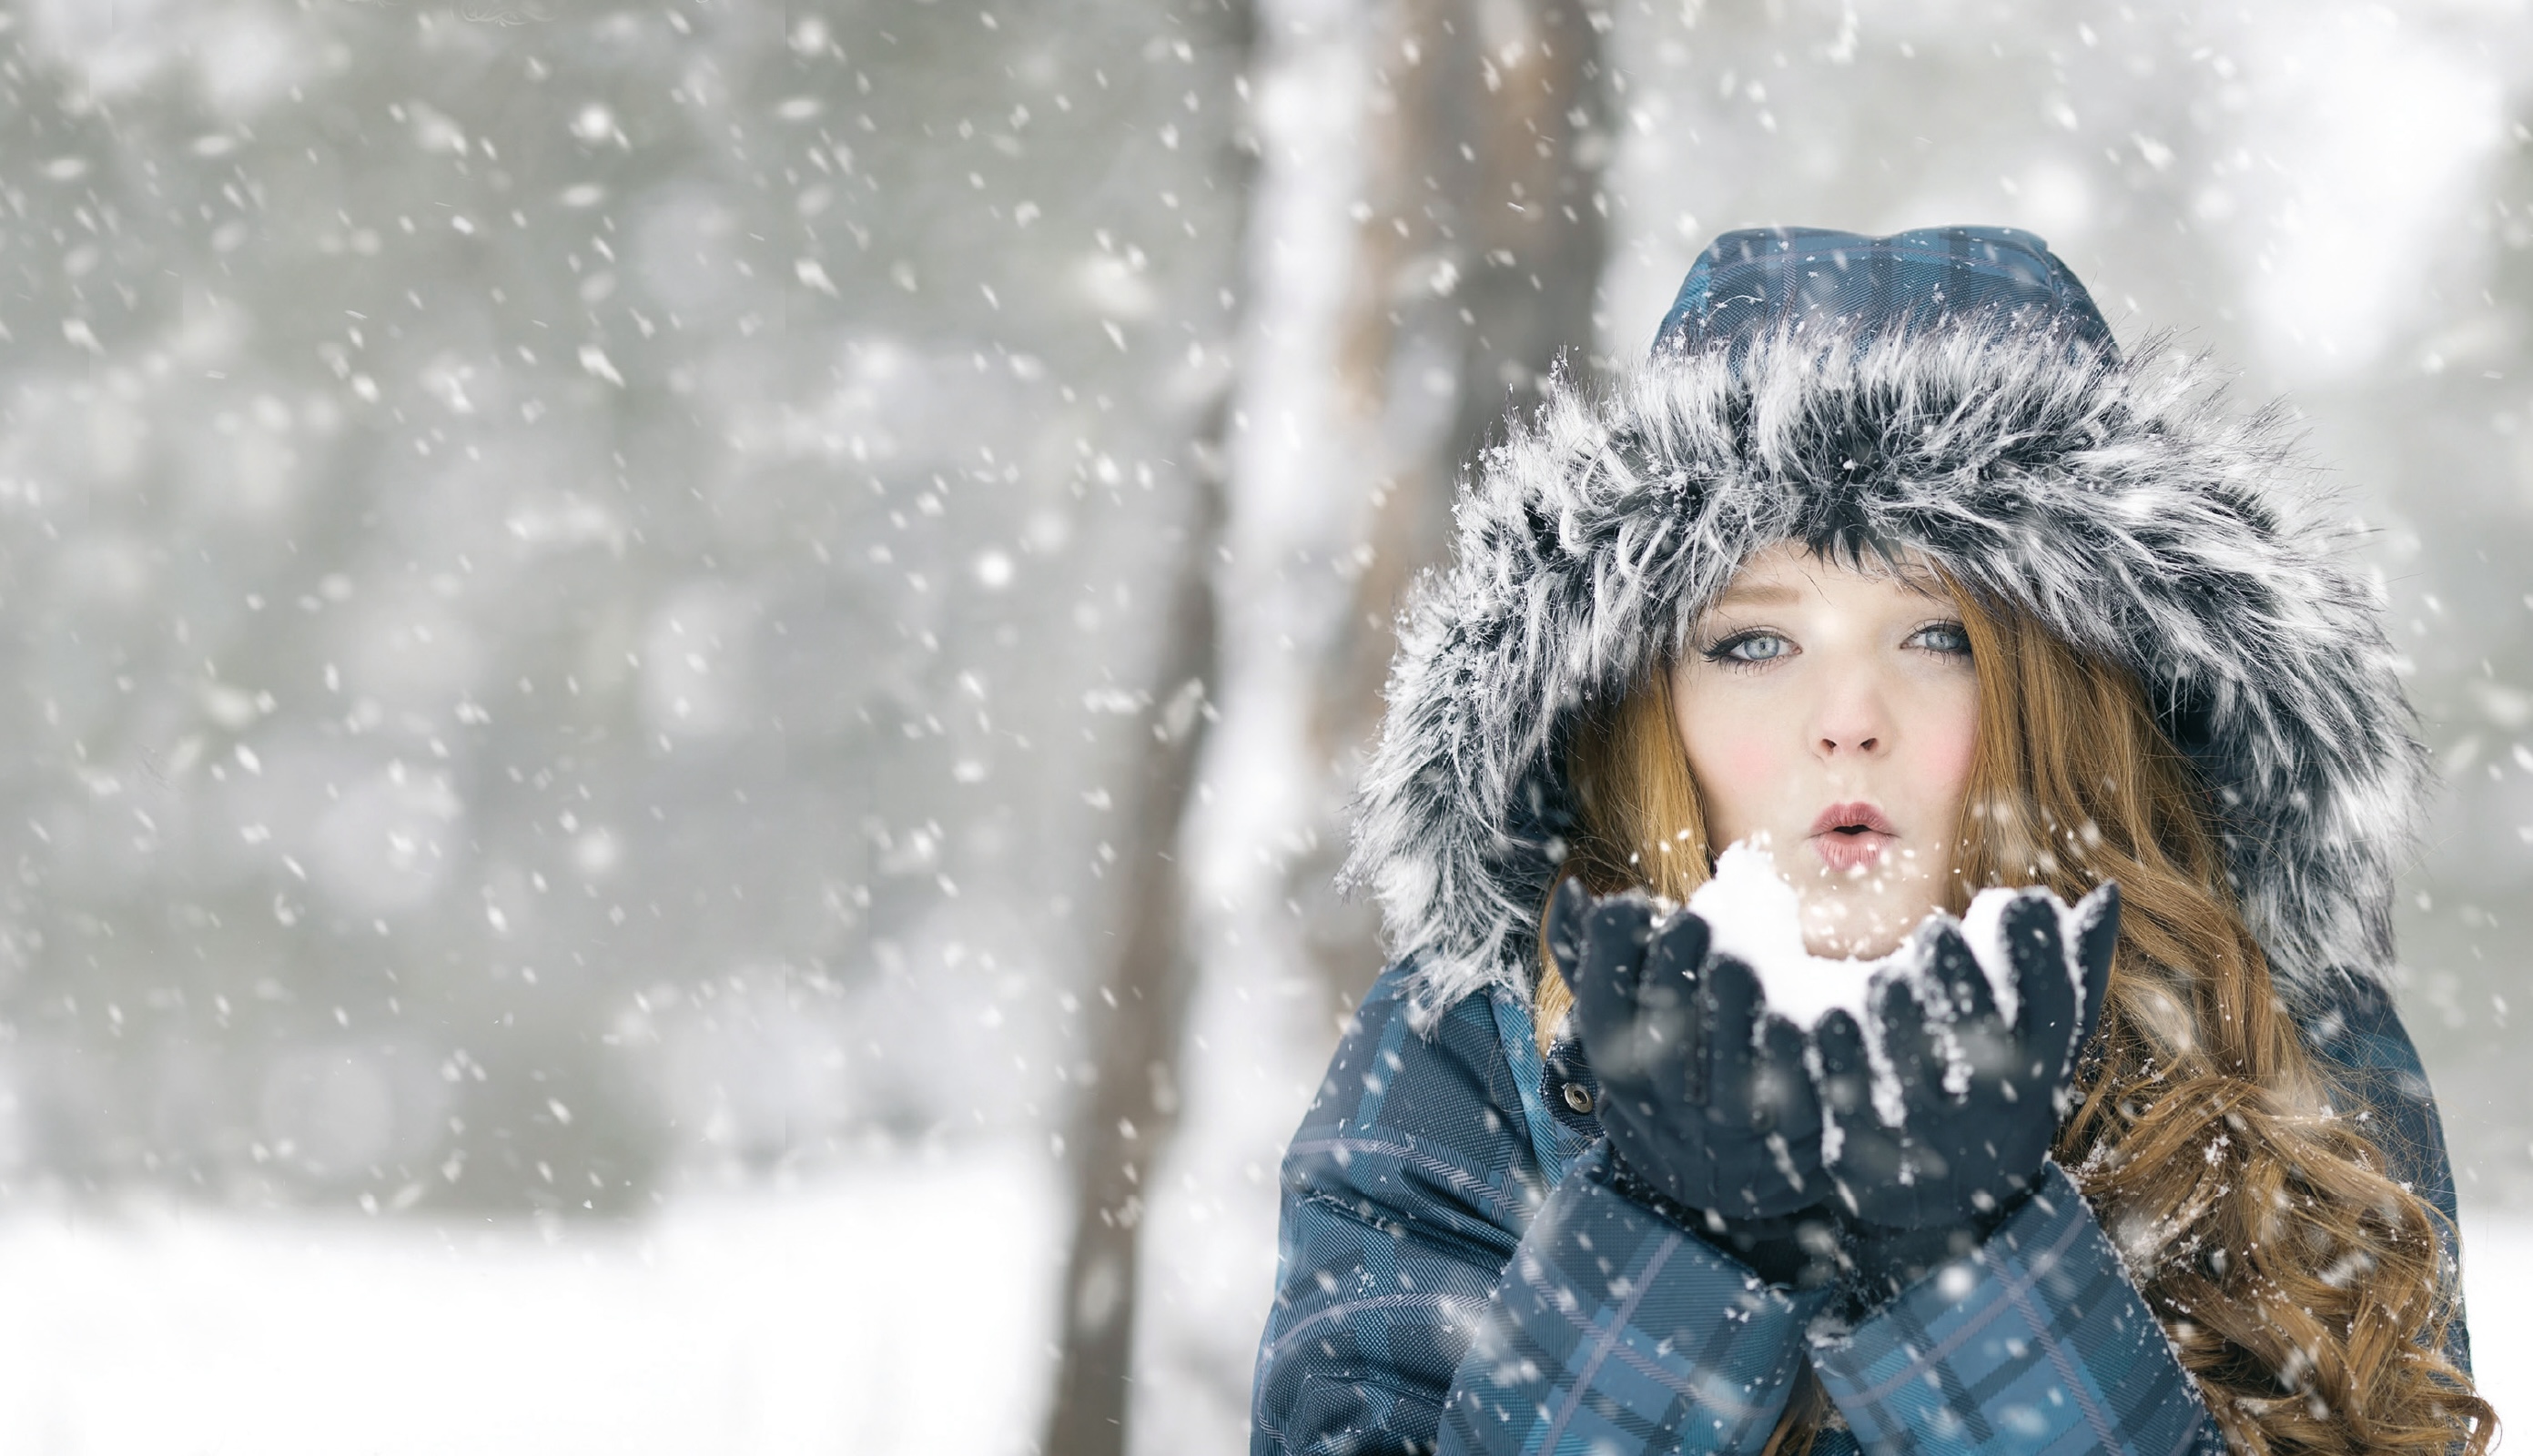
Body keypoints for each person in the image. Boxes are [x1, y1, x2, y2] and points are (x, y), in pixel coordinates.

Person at [1247, 227, 2494, 1455]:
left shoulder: (2274, 1042)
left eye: (1941, 636)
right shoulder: (1475, 1052)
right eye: (1753, 643)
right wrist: (1672, 1250)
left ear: (2069, 698)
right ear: (1644, 700)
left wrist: (1979, 1274)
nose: (1847, 722)